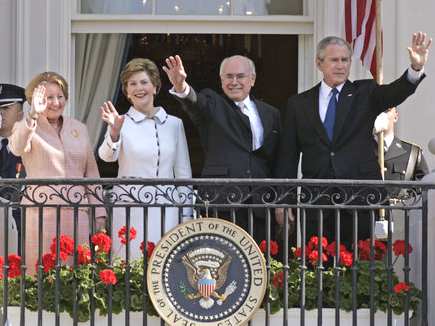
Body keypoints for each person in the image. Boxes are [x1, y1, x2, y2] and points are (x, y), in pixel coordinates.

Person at [275, 32, 431, 246]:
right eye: (334, 60)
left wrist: (415, 69)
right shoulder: (298, 104)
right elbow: (288, 157)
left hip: (360, 201)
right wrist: (284, 201)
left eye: (344, 60)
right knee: (318, 273)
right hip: (317, 203)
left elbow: (395, 93)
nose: (340, 66)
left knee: (363, 272)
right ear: (319, 63)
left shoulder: (365, 92)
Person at [163, 54, 281, 242]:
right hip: (221, 202)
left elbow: (276, 160)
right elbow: (195, 103)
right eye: (228, 76)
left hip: (260, 204)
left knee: (258, 264)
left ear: (252, 79)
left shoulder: (270, 113)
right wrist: (181, 87)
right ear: (221, 79)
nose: (234, 82)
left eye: (240, 76)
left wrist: (280, 202)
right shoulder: (213, 103)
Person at [8, 72, 106, 274]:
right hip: (42, 214)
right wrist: (33, 114)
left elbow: (91, 174)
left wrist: (100, 215)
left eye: (59, 96)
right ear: (34, 100)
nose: (55, 102)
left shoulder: (79, 128)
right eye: (48, 97)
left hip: (77, 213)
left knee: (79, 275)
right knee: (44, 274)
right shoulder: (25, 127)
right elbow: (17, 148)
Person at [98, 58, 192, 258]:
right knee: (129, 266)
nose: (139, 88)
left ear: (155, 87)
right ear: (127, 92)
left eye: (144, 82)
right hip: (130, 207)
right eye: (132, 84)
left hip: (168, 209)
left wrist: (186, 214)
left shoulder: (175, 124)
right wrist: (114, 133)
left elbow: (183, 174)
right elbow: (106, 156)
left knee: (164, 268)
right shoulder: (120, 122)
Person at [0, 84, 26, 252]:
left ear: (20, 114)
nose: (0, 114)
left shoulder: (29, 143)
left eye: (6, 108)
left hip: (19, 222)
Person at [374, 107, 429, 184]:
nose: (380, 115)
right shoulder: (359, 151)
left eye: (386, 110)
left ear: (395, 117)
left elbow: (424, 190)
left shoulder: (412, 153)